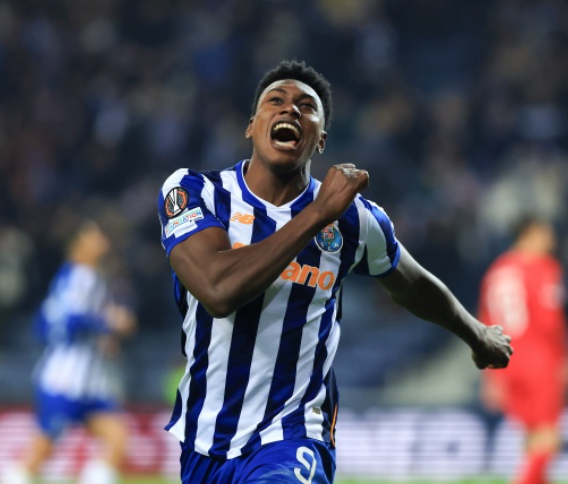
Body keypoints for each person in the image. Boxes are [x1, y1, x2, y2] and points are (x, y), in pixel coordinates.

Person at [157, 60, 513, 484]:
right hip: (204, 441)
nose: (290, 109)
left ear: (321, 139)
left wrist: (477, 334)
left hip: (294, 435)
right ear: (251, 126)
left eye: (307, 107)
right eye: (276, 100)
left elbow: (412, 285)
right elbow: (217, 290)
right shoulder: (195, 192)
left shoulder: (354, 220)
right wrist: (318, 214)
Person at [3, 220, 137, 484]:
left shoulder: (74, 277)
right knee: (42, 450)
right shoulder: (82, 277)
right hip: (64, 380)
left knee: (117, 439)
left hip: (90, 383)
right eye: (93, 235)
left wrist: (103, 336)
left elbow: (42, 325)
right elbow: (68, 320)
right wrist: (109, 322)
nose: (101, 240)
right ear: (78, 243)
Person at [479, 215, 567, 484]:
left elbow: (485, 323)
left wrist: (490, 373)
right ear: (529, 233)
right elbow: (550, 320)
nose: (551, 240)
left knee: (533, 437)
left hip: (506, 360)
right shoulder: (544, 268)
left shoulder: (497, 270)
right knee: (548, 438)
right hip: (539, 358)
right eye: (546, 233)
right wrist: (562, 358)